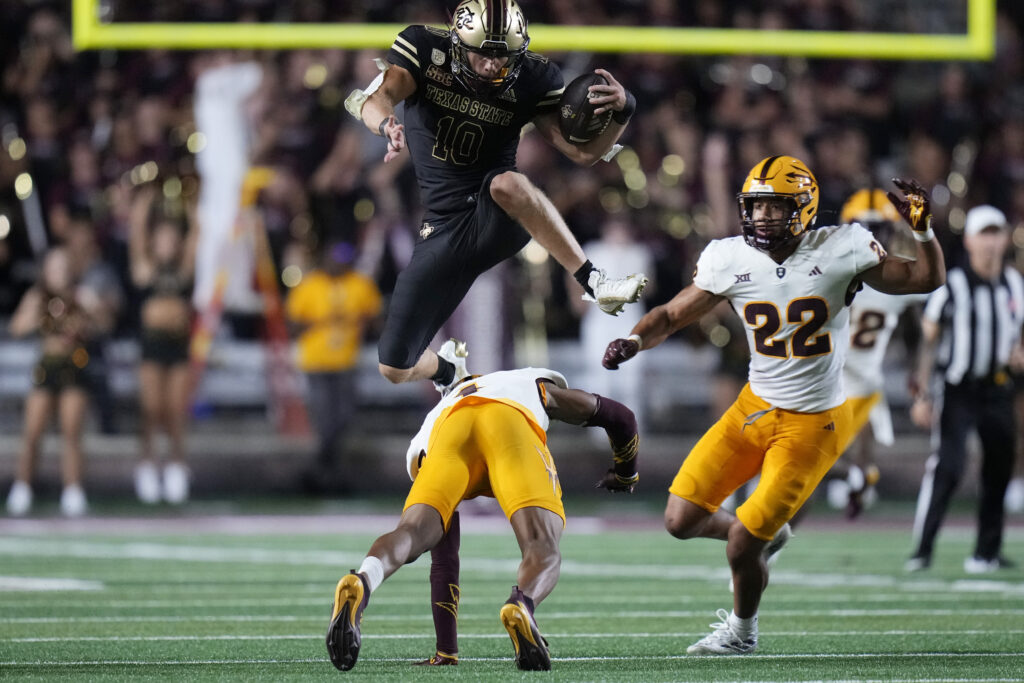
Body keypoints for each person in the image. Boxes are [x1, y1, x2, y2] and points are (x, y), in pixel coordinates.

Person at [602, 156, 945, 655]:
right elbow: (672, 314)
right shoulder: (730, 257)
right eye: (755, 206)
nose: (762, 217)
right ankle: (764, 534)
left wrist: (924, 233)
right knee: (679, 520)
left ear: (804, 209)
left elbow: (924, 279)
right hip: (754, 407)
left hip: (812, 425)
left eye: (774, 207)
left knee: (743, 544)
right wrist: (633, 341)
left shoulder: (841, 247)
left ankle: (743, 631)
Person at [344, 0, 647, 394]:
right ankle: (447, 370)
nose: (492, 65)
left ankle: (593, 281)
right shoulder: (424, 49)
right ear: (457, 43)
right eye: (483, 54)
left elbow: (583, 153)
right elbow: (374, 97)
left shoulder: (532, 77)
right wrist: (386, 122)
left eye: (503, 55)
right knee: (394, 365)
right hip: (442, 226)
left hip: (498, 218)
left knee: (505, 182)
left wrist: (624, 112)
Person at [325, 356, 640, 672]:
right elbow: (620, 417)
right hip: (509, 423)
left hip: (447, 435)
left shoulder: (436, 415)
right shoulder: (522, 381)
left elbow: (445, 561)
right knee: (541, 543)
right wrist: (625, 472)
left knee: (412, 532)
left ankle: (364, 580)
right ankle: (523, 604)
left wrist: (446, 650)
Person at [906, 205, 1024, 574]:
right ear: (970, 240)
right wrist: (922, 392)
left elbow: (1017, 332)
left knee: (1000, 469)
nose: (991, 242)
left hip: (999, 388)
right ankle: (922, 549)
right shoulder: (953, 283)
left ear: (1006, 238)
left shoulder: (1014, 282)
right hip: (958, 388)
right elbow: (928, 340)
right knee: (949, 466)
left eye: (996, 233)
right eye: (984, 233)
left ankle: (986, 552)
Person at [826, 189, 928, 518]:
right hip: (853, 375)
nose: (870, 238)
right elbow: (916, 334)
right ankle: (859, 475)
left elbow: (917, 334)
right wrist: (917, 371)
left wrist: (918, 372)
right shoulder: (895, 279)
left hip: (835, 374)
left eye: (876, 230)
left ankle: (857, 475)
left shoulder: (830, 271)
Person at [6, 247, 105, 517]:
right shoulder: (37, 296)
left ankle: (73, 490)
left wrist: (94, 308)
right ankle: (22, 487)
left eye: (63, 267)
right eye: (54, 267)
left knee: (72, 431)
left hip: (74, 367)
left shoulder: (81, 295)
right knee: (33, 431)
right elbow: (16, 328)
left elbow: (104, 325)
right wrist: (36, 315)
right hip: (47, 368)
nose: (59, 273)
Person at [285, 241, 382, 491]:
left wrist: (359, 324)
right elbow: (293, 324)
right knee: (325, 419)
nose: (339, 263)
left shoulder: (360, 284)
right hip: (316, 363)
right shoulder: (309, 285)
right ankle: (328, 475)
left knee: (344, 417)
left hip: (346, 361)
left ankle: (319, 472)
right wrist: (322, 322)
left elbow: (375, 319)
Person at [128, 184, 198, 505]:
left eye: (173, 238)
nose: (168, 243)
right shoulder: (146, 268)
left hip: (178, 345)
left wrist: (192, 204)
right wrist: (144, 206)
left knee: (175, 410)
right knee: (151, 409)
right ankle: (146, 465)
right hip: (152, 346)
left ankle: (176, 466)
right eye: (162, 238)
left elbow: (197, 236)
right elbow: (136, 236)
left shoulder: (184, 270)